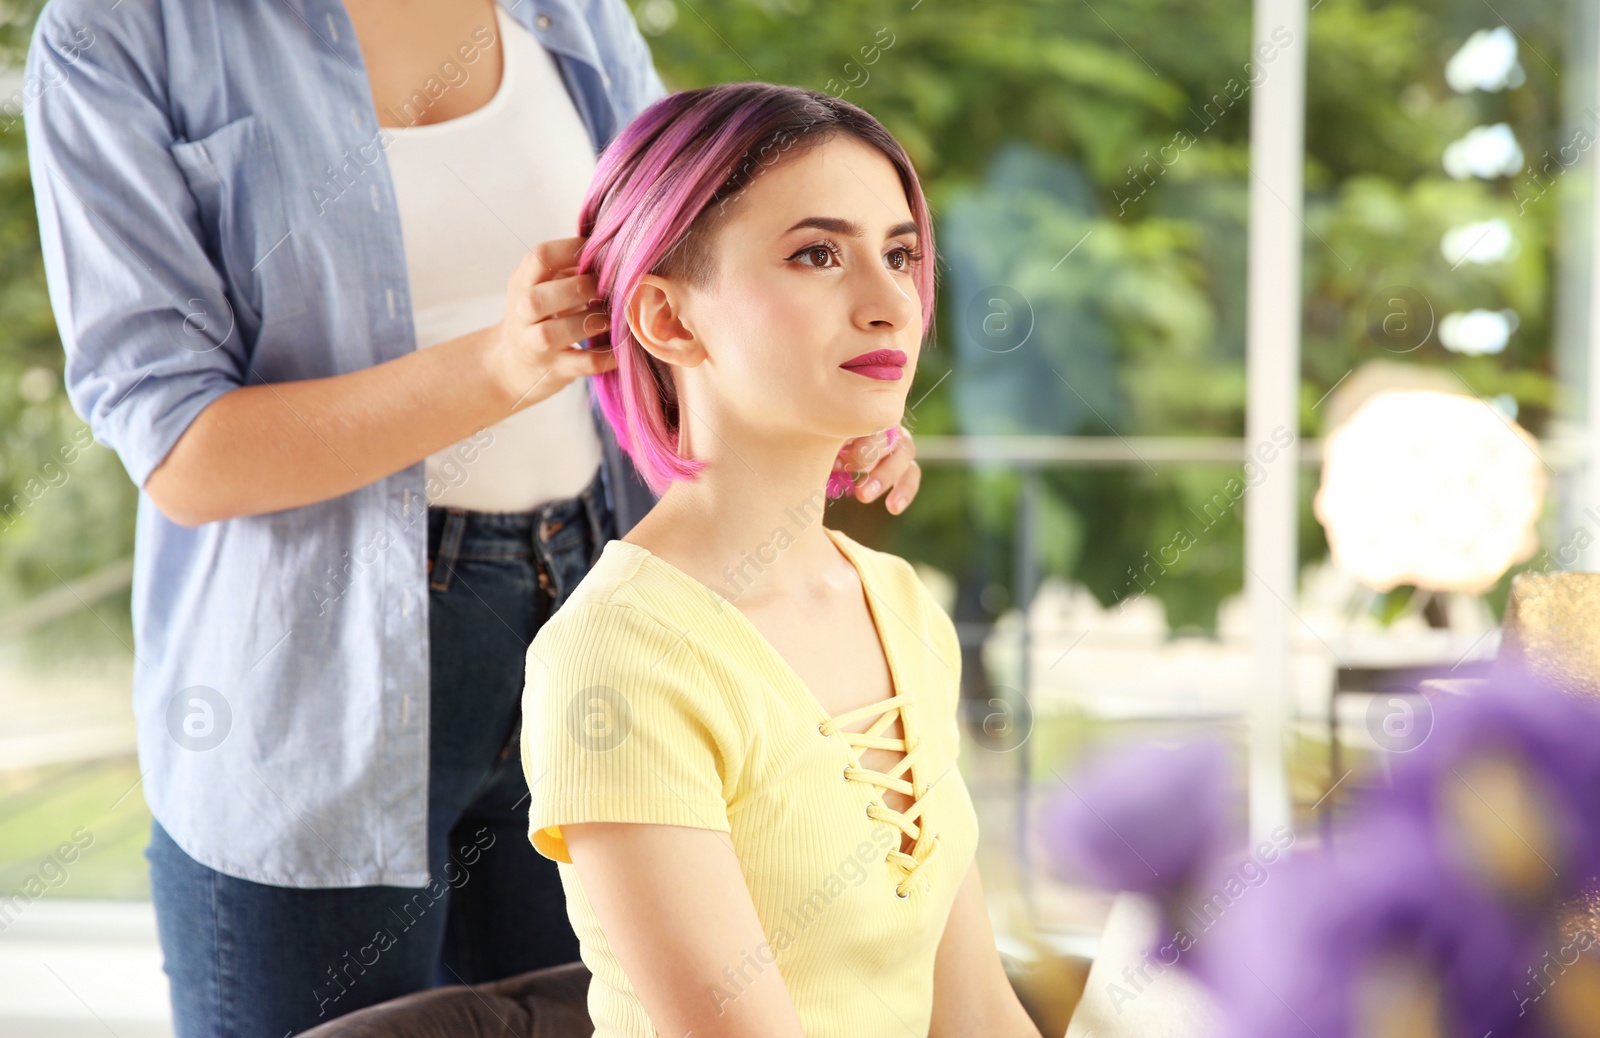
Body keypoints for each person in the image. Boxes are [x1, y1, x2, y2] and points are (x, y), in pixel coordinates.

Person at [22, 2, 921, 1035]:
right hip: (313, 681)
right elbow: (186, 453)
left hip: (592, 592)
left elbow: (676, 294)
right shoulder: (125, 33)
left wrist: (816, 399)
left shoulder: (573, 13)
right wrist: (501, 367)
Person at [520, 82, 1043, 1038]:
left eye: (901, 256)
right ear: (671, 321)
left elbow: (973, 1012)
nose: (891, 305)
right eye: (816, 255)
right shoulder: (615, 662)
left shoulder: (896, 604)